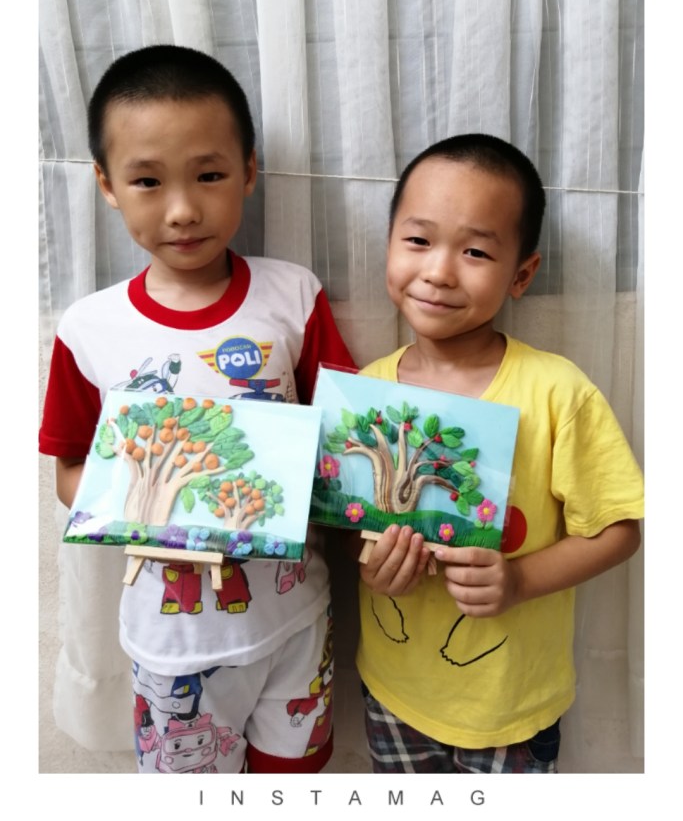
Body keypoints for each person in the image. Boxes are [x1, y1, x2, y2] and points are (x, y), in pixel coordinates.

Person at [39, 44, 355, 774]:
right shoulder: (89, 328)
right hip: (172, 647)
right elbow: (69, 473)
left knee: (294, 780)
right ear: (106, 184)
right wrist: (160, 501)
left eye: (209, 175)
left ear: (249, 170)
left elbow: (342, 440)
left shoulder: (293, 295)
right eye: (147, 180)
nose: (182, 210)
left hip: (296, 618)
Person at [356, 134, 643, 774]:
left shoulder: (557, 390)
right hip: (392, 690)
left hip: (512, 703)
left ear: (521, 275)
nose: (439, 271)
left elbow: (619, 529)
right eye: (418, 239)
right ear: (389, 244)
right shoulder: (367, 391)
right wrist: (372, 563)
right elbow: (347, 523)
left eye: (476, 251)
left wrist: (519, 581)